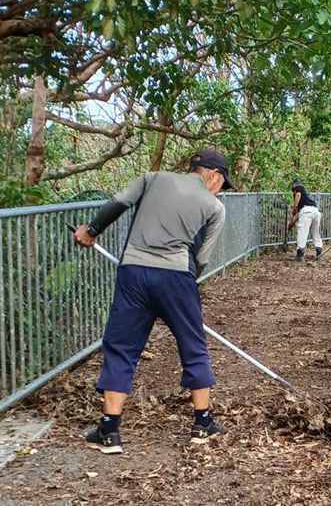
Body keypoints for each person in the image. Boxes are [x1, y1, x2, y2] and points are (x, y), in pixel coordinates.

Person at [73, 148, 236, 453]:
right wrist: (185, 285)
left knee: (121, 346)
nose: (221, 190)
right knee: (193, 344)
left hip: (133, 272)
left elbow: (118, 204)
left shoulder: (151, 179)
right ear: (214, 175)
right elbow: (200, 258)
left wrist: (91, 231)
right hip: (176, 277)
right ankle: (202, 424)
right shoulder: (215, 207)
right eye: (223, 184)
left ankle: (109, 430)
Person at [291, 178, 323, 261]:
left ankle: (300, 254)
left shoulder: (298, 188)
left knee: (302, 231)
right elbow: (299, 214)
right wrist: (292, 222)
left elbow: (298, 195)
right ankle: (319, 250)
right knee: (315, 232)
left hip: (307, 211)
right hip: (316, 211)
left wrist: (295, 206)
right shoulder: (306, 196)